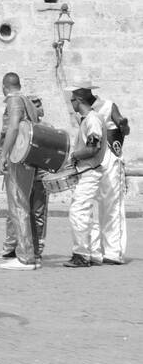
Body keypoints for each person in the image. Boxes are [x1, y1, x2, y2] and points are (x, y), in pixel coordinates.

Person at [0, 73, 43, 270]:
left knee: (18, 206)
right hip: (28, 158)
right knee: (23, 205)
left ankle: (24, 257)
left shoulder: (14, 101)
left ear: (4, 86)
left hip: (17, 158)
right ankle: (30, 253)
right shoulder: (28, 102)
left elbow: (13, 127)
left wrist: (3, 156)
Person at [63, 87, 117, 267]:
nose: (71, 104)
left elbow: (92, 148)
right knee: (88, 214)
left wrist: (75, 155)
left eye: (72, 100)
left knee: (77, 213)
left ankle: (81, 254)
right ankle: (94, 253)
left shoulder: (92, 120)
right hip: (90, 171)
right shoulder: (90, 119)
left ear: (79, 100)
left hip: (89, 172)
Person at [91, 89, 129, 265]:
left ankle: (114, 251)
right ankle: (95, 250)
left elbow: (123, 127)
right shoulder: (80, 110)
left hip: (110, 159)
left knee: (113, 204)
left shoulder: (108, 106)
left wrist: (122, 123)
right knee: (94, 206)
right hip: (93, 159)